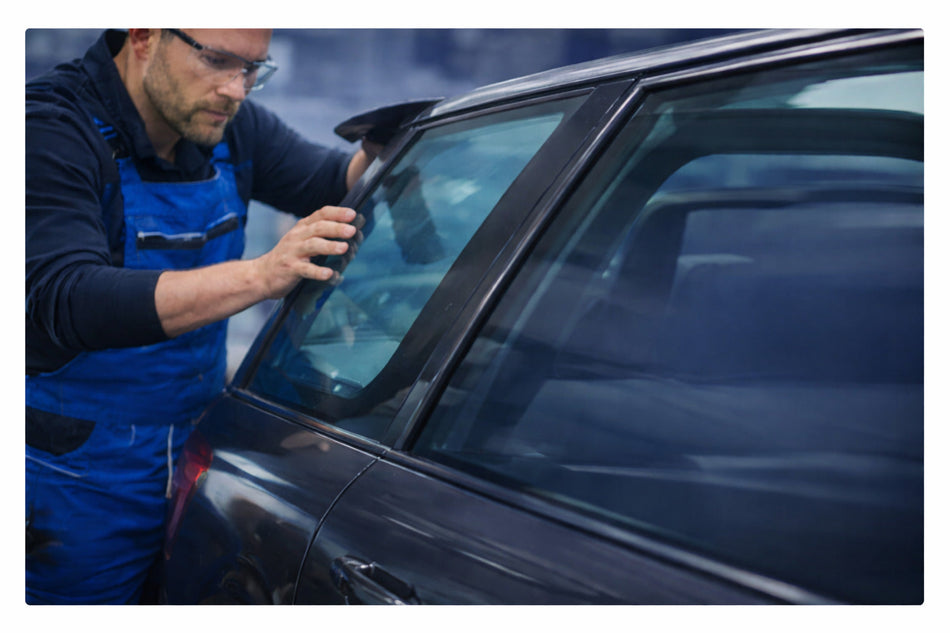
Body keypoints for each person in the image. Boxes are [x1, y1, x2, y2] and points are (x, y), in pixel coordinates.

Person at [25, 28, 378, 604]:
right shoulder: (47, 131)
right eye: (217, 61)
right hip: (74, 479)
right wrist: (260, 276)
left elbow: (329, 182)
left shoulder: (224, 123)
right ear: (144, 35)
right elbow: (68, 298)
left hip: (193, 455)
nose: (237, 89)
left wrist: (387, 147)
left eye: (253, 69)